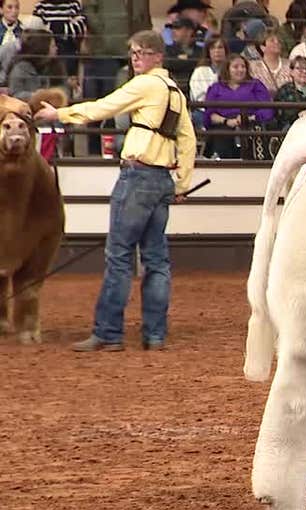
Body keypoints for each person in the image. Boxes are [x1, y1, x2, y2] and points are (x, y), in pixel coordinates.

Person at [33, 30, 196, 352]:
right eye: (133, 53)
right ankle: (154, 334)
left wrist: (58, 114)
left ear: (157, 56)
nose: (135, 58)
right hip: (162, 179)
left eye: (141, 52)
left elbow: (103, 108)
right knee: (156, 259)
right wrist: (182, 182)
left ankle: (108, 332)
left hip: (137, 176)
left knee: (119, 255)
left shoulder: (145, 84)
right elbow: (187, 139)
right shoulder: (175, 91)